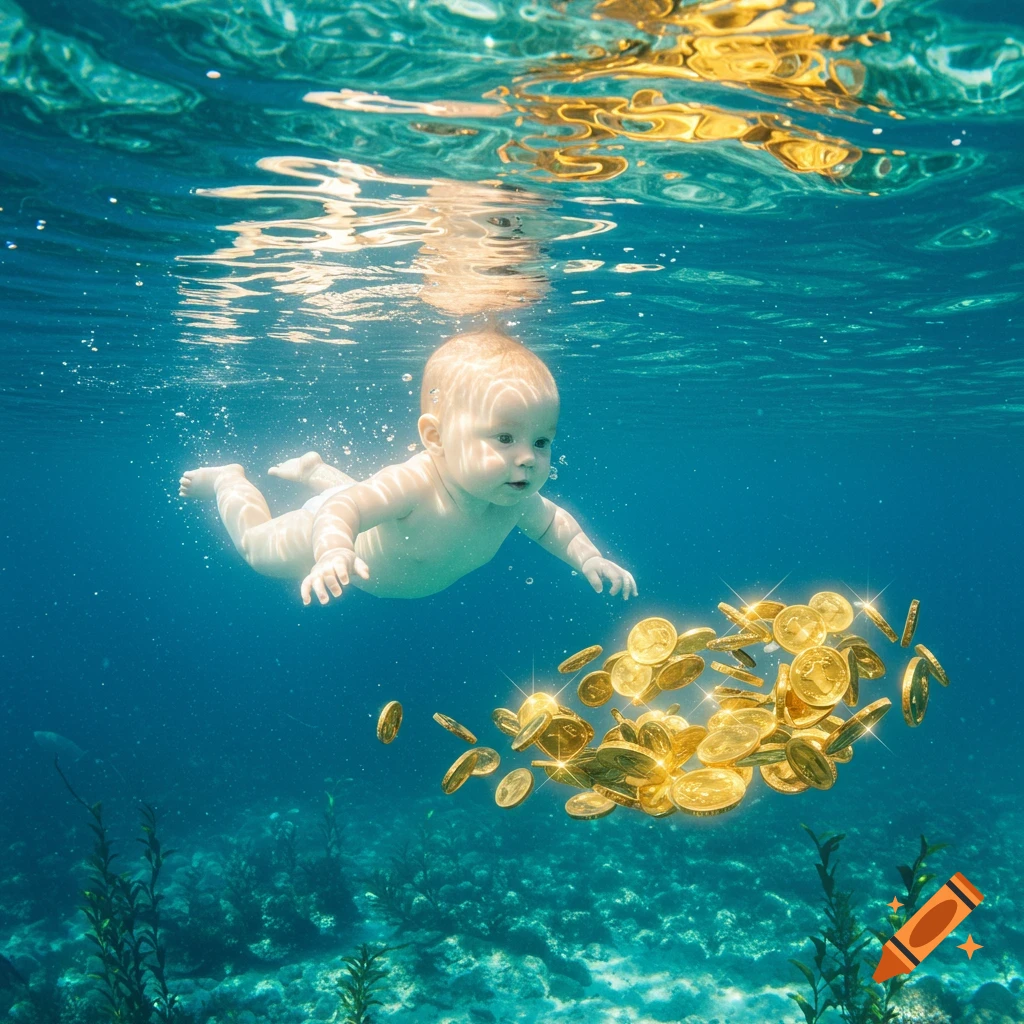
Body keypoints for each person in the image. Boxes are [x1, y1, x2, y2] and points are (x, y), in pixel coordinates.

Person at [180, 327, 637, 605]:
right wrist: (334, 551)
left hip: (373, 520)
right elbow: (343, 512)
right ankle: (227, 479)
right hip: (325, 525)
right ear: (435, 438)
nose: (528, 458)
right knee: (257, 551)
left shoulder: (513, 497)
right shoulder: (415, 483)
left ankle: (313, 469)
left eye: (541, 442)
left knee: (376, 503)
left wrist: (590, 558)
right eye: (504, 438)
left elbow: (554, 525)